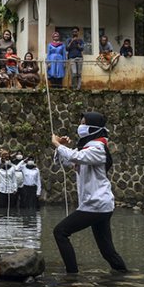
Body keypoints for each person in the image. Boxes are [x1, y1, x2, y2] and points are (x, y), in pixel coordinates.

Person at [51, 112, 128, 274]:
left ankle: (72, 275)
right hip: (99, 205)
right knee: (107, 251)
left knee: (60, 232)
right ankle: (123, 275)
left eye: (84, 123)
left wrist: (58, 145)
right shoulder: (87, 148)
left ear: (93, 128)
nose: (81, 126)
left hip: (96, 205)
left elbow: (75, 156)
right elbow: (65, 161)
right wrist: (61, 147)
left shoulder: (98, 148)